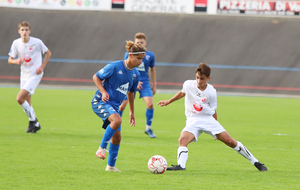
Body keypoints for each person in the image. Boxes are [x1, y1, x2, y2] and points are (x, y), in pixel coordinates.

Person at [157, 63, 268, 172]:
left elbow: (213, 110)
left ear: (208, 78)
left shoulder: (211, 92)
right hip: (193, 120)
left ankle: (256, 162)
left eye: (202, 79)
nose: (199, 81)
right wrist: (168, 101)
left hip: (207, 120)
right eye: (197, 78)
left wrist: (215, 130)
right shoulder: (188, 84)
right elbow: (182, 93)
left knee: (230, 142)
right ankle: (181, 166)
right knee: (182, 139)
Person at [91, 41, 145, 172]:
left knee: (117, 137)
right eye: (139, 58)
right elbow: (96, 77)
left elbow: (131, 93)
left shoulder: (135, 74)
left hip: (114, 107)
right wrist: (103, 92)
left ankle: (110, 167)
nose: (141, 62)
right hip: (100, 102)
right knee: (117, 120)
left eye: (142, 59)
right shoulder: (114, 67)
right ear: (130, 55)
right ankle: (101, 149)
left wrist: (132, 112)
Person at [8, 21, 52, 133]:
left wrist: (42, 66)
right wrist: (16, 61)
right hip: (24, 74)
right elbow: (10, 60)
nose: (24, 32)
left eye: (26, 30)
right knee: (27, 101)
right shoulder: (16, 43)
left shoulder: (37, 42)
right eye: (22, 30)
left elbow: (48, 53)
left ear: (29, 31)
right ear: (19, 31)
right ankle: (34, 123)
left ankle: (33, 120)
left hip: (35, 74)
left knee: (19, 98)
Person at [119, 33, 157, 138]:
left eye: (141, 42)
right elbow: (126, 68)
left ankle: (148, 128)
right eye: (137, 42)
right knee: (122, 106)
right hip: (131, 80)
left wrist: (154, 84)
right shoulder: (129, 54)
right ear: (134, 43)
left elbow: (152, 70)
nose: (139, 44)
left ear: (145, 43)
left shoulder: (150, 55)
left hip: (144, 82)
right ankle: (116, 127)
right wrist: (132, 80)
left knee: (150, 104)